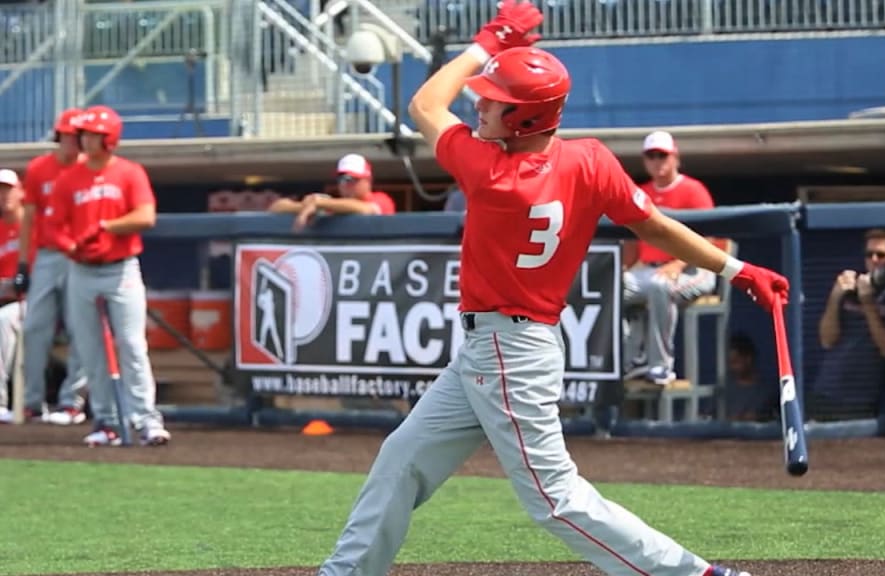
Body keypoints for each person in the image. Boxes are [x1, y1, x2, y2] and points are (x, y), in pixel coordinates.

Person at [316, 4, 787, 576]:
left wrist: (488, 41)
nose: (480, 101)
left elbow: (423, 104)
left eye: (494, 100)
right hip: (501, 347)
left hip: (509, 350)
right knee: (403, 457)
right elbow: (656, 226)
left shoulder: (491, 171)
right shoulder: (589, 159)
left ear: (523, 120)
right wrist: (737, 270)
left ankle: (696, 575)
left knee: (554, 498)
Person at [50, 105, 171, 447]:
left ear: (110, 139)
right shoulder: (68, 179)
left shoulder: (129, 173)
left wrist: (105, 226)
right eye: (83, 135)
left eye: (92, 135)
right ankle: (107, 421)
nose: (86, 141)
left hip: (120, 268)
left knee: (132, 346)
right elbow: (53, 225)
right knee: (90, 351)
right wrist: (70, 245)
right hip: (82, 271)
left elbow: (146, 216)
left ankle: (146, 419)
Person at [13, 107, 90, 425]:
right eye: (68, 135)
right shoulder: (39, 168)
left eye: (77, 136)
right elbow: (28, 217)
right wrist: (22, 262)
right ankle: (32, 402)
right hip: (46, 254)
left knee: (80, 330)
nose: (72, 141)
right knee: (33, 328)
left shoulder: (89, 169)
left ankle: (72, 402)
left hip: (80, 255)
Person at [623, 130, 718, 385]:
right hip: (650, 269)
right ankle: (632, 358)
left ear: (675, 157)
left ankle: (661, 366)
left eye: (662, 155)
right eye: (651, 156)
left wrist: (678, 262)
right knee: (615, 288)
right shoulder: (640, 193)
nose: (657, 161)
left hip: (696, 269)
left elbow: (706, 242)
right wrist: (623, 269)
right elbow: (631, 244)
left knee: (659, 285)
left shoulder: (693, 190)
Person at [812, 228, 885, 416]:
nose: (873, 260)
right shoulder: (853, 290)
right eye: (869, 255)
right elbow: (827, 340)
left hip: (860, 399)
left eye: (880, 255)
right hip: (826, 390)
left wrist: (868, 303)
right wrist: (835, 297)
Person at [268, 153, 396, 231]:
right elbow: (276, 207)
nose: (344, 184)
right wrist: (305, 206)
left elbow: (365, 210)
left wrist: (320, 203)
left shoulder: (382, 199)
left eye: (350, 179)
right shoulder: (333, 205)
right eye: (341, 179)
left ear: (367, 180)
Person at [0, 169, 26, 423]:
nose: (3, 196)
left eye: (8, 189)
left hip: (35, 300)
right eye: (0, 191)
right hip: (7, 301)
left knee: (3, 321)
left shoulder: (32, 225)